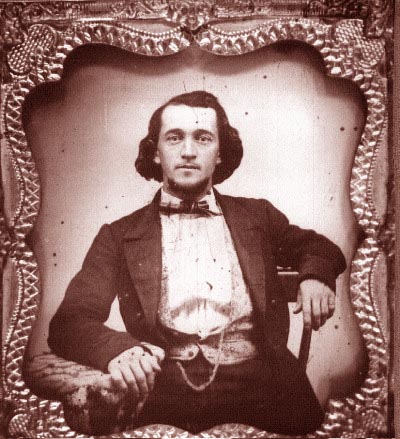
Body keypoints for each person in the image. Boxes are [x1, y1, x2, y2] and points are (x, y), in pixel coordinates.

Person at [48, 90, 346, 434]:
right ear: (155, 152)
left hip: (264, 386)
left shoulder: (257, 216)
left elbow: (319, 247)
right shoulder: (118, 235)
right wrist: (119, 350)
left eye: (203, 138)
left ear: (220, 153)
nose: (188, 151)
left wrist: (315, 277)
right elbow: (69, 322)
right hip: (162, 388)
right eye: (174, 138)